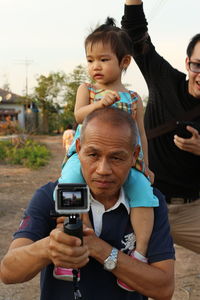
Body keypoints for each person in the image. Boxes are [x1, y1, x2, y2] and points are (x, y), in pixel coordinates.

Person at [0, 107, 175, 300]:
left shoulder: (150, 203)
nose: (103, 169)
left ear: (134, 155)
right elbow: (8, 272)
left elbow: (163, 288)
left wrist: (98, 248)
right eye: (93, 155)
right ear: (78, 148)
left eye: (116, 157)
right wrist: (50, 247)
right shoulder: (50, 196)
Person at [54, 17, 159, 287]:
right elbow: (78, 116)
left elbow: (141, 134)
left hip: (127, 161)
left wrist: (144, 165)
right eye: (90, 60)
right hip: (83, 157)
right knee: (69, 187)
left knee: (144, 195)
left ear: (124, 62)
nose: (95, 67)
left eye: (103, 59)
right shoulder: (87, 90)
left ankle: (139, 254)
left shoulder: (134, 98)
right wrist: (98, 104)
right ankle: (76, 245)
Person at [121, 0, 200, 253]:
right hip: (145, 201)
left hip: (191, 210)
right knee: (122, 268)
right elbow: (134, 32)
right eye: (198, 65)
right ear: (188, 63)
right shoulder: (164, 78)